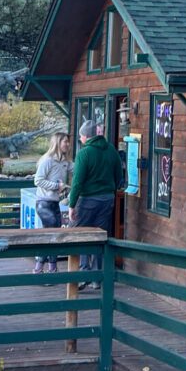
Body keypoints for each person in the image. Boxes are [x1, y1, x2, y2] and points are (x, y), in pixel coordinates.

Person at [68, 116, 124, 279]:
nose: (80, 139)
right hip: (107, 200)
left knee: (81, 234)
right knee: (99, 236)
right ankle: (96, 277)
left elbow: (77, 182)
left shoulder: (84, 153)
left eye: (81, 136)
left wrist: (72, 205)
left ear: (86, 136)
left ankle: (84, 272)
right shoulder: (111, 150)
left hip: (87, 200)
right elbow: (119, 175)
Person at [33, 127, 72, 274]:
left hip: (54, 202)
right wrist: (57, 186)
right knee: (53, 233)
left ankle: (41, 267)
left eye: (68, 142)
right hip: (43, 203)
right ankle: (51, 267)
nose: (67, 144)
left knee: (52, 234)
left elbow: (77, 169)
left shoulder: (65, 162)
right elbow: (37, 180)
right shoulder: (47, 160)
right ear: (57, 143)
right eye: (65, 142)